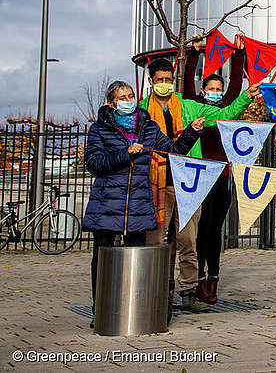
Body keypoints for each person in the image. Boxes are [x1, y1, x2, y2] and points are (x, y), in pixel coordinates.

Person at [139, 57, 258, 312]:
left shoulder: (188, 106)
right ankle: (159, 292)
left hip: (187, 183)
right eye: (159, 80)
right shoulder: (141, 111)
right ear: (151, 82)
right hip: (156, 183)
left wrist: (245, 96)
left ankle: (188, 291)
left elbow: (225, 114)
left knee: (188, 240)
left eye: (168, 80)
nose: (164, 84)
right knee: (158, 241)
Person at [82, 81, 204, 323]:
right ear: (111, 103)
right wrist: (124, 154)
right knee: (103, 259)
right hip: (107, 203)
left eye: (130, 95)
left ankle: (133, 310)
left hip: (138, 203)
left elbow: (174, 149)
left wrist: (192, 131)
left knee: (136, 258)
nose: (128, 100)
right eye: (122, 97)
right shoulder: (100, 129)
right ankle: (101, 310)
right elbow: (94, 163)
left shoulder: (148, 127)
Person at [194, 73, 235, 305]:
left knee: (216, 230)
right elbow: (188, 83)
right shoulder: (198, 110)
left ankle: (213, 278)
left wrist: (239, 55)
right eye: (211, 88)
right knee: (202, 229)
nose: (215, 92)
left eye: (219, 88)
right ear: (203, 90)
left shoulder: (226, 111)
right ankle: (198, 278)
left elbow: (236, 85)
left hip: (223, 176)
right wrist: (194, 53)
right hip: (202, 175)